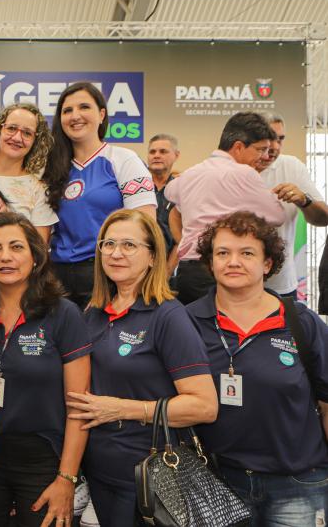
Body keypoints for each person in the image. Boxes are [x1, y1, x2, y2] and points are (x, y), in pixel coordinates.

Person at [68, 209, 218, 526]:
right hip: (99, 471)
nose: (116, 253)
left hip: (149, 477)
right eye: (108, 244)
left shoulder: (168, 316)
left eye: (129, 245)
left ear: (152, 257)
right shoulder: (93, 312)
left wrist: (122, 409)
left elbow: (204, 406)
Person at [188, 211, 328, 524]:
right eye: (222, 253)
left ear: (267, 264)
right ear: (211, 263)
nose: (233, 261)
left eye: (247, 253)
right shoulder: (187, 323)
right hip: (215, 482)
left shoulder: (301, 322)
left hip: (298, 484)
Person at [0, 212, 91, 527]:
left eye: (16, 247)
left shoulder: (63, 314)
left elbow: (80, 407)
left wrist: (66, 479)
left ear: (36, 257)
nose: (5, 256)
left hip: (44, 461)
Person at [41, 82, 156, 308]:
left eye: (84, 107)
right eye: (67, 111)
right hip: (58, 277)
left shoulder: (124, 159)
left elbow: (146, 224)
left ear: (101, 114)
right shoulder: (52, 169)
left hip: (108, 274)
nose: (75, 116)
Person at [165, 112, 285, 304]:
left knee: (194, 331)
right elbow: (277, 216)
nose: (263, 157)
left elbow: (171, 201)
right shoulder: (245, 174)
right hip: (225, 269)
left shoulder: (189, 174)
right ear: (238, 146)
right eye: (260, 150)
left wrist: (185, 241)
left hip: (189, 272)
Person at [255, 113, 328, 299]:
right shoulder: (232, 168)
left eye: (281, 139)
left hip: (281, 285)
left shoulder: (292, 166)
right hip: (234, 283)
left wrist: (305, 201)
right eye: (269, 138)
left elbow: (323, 219)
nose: (275, 146)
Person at [0, 103, 57, 244]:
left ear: (35, 141)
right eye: (12, 128)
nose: (17, 138)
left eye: (27, 133)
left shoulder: (39, 190)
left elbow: (40, 249)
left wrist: (10, 221)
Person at [145, 133, 180, 275]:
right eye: (152, 152)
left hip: (168, 271)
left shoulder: (181, 189)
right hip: (135, 266)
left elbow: (181, 238)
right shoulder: (136, 187)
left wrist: (166, 272)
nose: (156, 155)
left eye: (163, 151)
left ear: (176, 155)